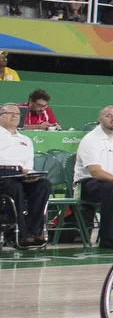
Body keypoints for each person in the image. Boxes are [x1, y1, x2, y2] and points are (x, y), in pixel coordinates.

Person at [75, 104, 113, 249]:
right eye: (109, 116)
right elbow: (96, 172)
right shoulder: (90, 139)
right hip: (87, 183)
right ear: (100, 120)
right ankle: (107, 239)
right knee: (112, 189)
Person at [0, 103, 49, 248]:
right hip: (2, 173)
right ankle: (19, 233)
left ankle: (34, 232)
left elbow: (28, 165)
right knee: (14, 187)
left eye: (17, 114)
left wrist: (29, 175)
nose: (14, 116)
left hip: (21, 173)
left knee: (43, 185)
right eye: (10, 113)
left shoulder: (26, 140)